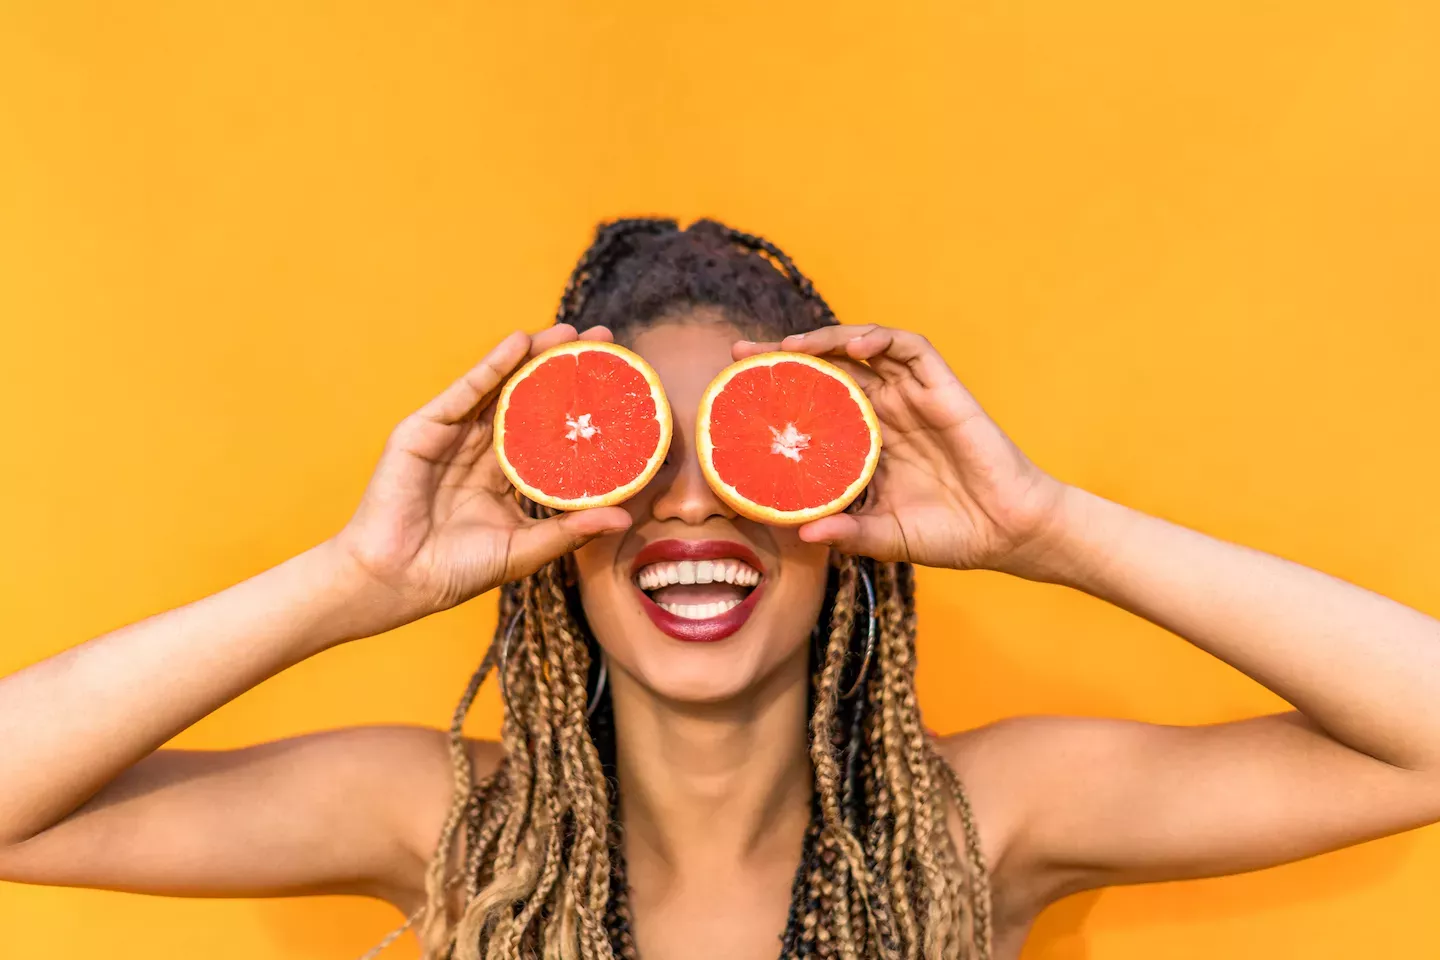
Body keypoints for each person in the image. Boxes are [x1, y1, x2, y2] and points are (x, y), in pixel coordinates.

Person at [2, 218, 1438, 960]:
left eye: (759, 460)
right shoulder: (455, 831)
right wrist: (354, 577)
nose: (691, 505)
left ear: (848, 502)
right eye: (641, 459)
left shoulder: (981, 828)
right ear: (552, 512)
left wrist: (1043, 526)